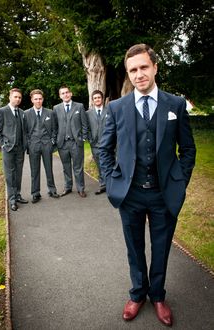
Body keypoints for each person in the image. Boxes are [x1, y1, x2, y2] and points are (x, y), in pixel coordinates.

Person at [99, 44, 196, 326]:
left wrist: (180, 181)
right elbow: (104, 149)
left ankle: (157, 295)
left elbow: (187, 150)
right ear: (128, 74)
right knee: (134, 247)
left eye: (143, 67)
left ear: (155, 67)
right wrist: (111, 180)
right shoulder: (117, 107)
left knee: (162, 247)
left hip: (163, 194)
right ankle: (137, 293)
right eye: (133, 70)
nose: (139, 74)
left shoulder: (175, 104)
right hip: (129, 194)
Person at [0, 88, 28, 211]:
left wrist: (25, 145)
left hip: (20, 149)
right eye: (15, 97)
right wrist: (2, 144)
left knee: (18, 173)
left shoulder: (22, 112)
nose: (17, 99)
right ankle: (12, 199)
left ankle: (18, 195)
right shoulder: (2, 111)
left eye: (19, 97)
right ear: (10, 97)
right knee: (10, 174)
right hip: (8, 149)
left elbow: (24, 131)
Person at [53, 86, 88, 198]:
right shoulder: (56, 108)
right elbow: (55, 126)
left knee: (78, 167)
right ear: (60, 96)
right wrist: (56, 139)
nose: (65, 95)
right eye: (63, 93)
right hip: (62, 143)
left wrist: (83, 137)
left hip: (76, 142)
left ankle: (80, 188)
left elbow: (84, 124)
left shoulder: (79, 106)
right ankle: (68, 187)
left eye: (67, 92)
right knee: (66, 166)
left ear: (71, 93)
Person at [24, 89, 59, 203]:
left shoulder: (50, 112)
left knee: (49, 168)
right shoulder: (26, 113)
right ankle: (35, 193)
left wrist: (52, 140)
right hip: (33, 145)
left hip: (46, 144)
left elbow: (54, 128)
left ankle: (52, 189)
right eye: (36, 99)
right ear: (32, 100)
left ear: (42, 99)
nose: (38, 101)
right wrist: (28, 143)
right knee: (34, 171)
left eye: (40, 99)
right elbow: (24, 131)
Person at [86, 90, 107, 195]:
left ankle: (111, 185)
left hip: (108, 144)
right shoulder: (88, 113)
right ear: (92, 100)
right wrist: (90, 139)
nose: (97, 99)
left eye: (99, 97)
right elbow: (86, 128)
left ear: (102, 99)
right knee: (99, 165)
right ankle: (103, 185)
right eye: (95, 98)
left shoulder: (109, 111)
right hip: (95, 144)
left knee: (108, 164)